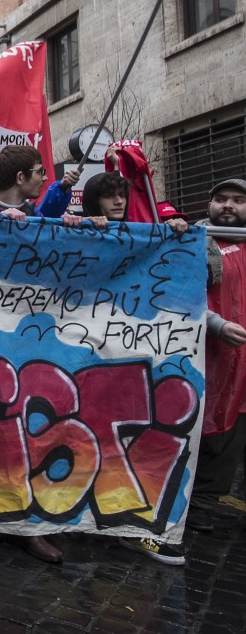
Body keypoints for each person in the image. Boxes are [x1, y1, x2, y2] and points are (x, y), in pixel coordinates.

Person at [123, 179, 246, 565]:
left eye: (238, 201)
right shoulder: (194, 242)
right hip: (203, 354)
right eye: (221, 199)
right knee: (196, 429)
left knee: (233, 431)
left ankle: (205, 501)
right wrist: (216, 325)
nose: (228, 207)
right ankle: (185, 504)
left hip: (240, 362)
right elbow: (179, 295)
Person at [0, 145, 76, 563]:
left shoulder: (38, 217)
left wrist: (69, 225)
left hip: (31, 341)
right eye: (38, 172)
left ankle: (25, 521)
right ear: (20, 180)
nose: (41, 177)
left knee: (31, 424)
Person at [0, 145, 82, 231]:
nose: (45, 178)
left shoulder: (33, 215)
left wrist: (83, 224)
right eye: (40, 172)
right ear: (20, 177)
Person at [80, 172, 189, 233]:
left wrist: (169, 231)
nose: (119, 202)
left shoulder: (139, 234)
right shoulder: (77, 233)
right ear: (93, 201)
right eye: (109, 196)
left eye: (123, 196)